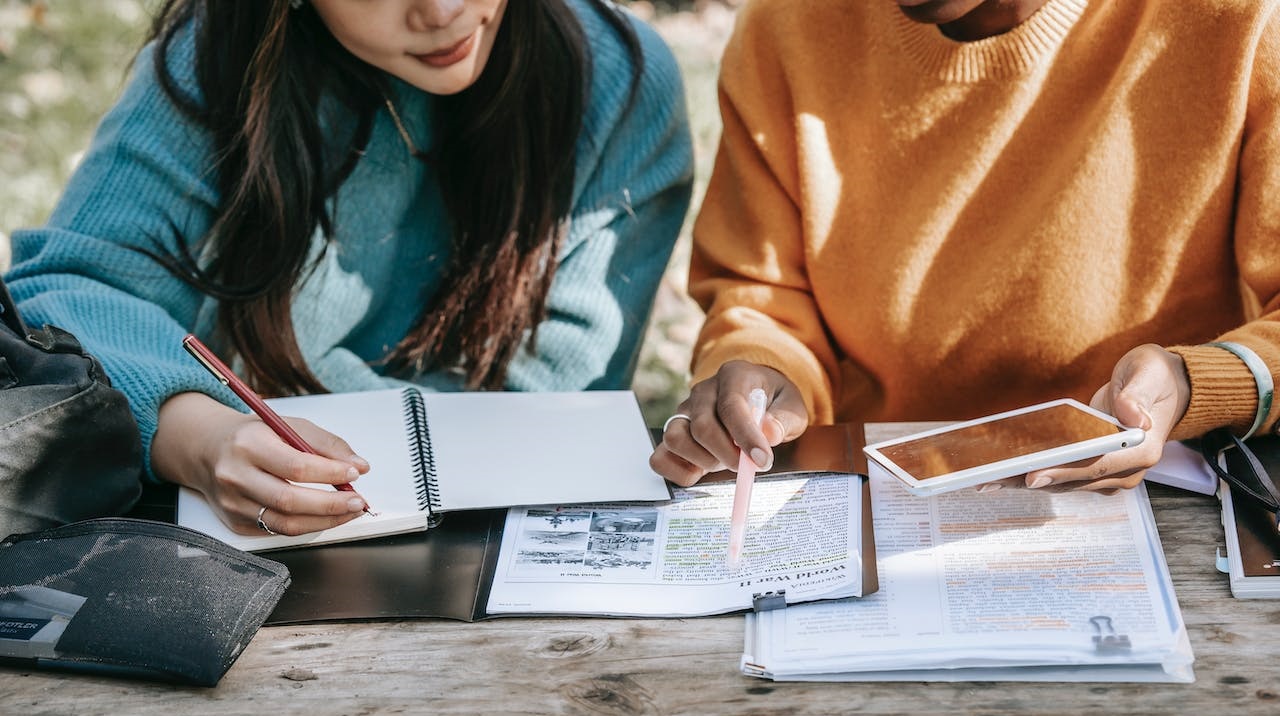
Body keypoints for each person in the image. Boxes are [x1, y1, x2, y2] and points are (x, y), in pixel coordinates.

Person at [4, 0, 693, 535]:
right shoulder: (221, 57)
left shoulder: (619, 81)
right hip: (232, 550)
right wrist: (200, 438)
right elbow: (65, 293)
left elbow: (557, 409)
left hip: (497, 551)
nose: (442, 12)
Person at [651, 0, 1280, 494]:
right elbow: (762, 294)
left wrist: (1196, 384)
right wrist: (763, 372)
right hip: (875, 492)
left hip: (1166, 500)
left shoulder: (1239, 22)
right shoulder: (784, 30)